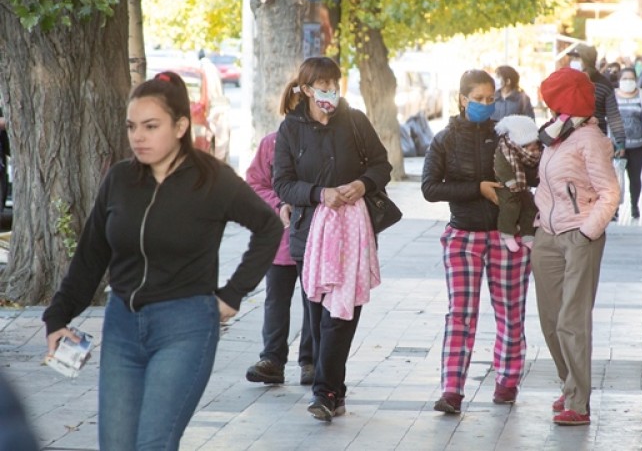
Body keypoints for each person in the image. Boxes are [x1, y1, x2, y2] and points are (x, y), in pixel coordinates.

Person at [41, 71, 284, 450]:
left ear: (181, 125)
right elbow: (91, 256)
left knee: (153, 443)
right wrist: (57, 318)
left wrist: (233, 294)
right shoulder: (119, 179)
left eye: (151, 126)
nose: (138, 136)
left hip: (185, 327)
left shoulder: (213, 179)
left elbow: (269, 227)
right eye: (132, 126)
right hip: (122, 326)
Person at [272, 56, 392, 422]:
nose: (330, 91)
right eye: (322, 85)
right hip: (309, 235)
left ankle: (324, 391)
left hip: (353, 235)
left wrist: (362, 183)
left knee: (340, 315)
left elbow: (382, 165)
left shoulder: (353, 120)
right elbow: (282, 183)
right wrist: (318, 194)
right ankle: (333, 390)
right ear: (306, 89)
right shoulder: (291, 129)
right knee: (318, 316)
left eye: (334, 83)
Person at [422, 69, 533, 414]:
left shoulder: (505, 135)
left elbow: (532, 172)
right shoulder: (444, 139)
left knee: (511, 313)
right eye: (479, 99)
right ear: (462, 99)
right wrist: (478, 189)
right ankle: (452, 390)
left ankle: (507, 380)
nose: (486, 105)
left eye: (491, 99)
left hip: (507, 237)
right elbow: (430, 188)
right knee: (461, 315)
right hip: (463, 236)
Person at [531, 67, 619, 426]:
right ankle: (568, 382)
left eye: (553, 99)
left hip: (579, 237)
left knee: (571, 320)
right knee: (550, 320)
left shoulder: (590, 139)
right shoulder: (558, 133)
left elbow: (610, 193)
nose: (549, 106)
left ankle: (578, 403)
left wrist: (586, 233)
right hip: (546, 236)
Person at [245, 131, 315, 386]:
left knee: (314, 302)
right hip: (281, 239)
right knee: (275, 300)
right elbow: (255, 182)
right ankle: (272, 360)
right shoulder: (270, 142)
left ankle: (311, 360)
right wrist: (279, 204)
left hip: (315, 238)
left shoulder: (327, 142)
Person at [615, 67, 642, 219]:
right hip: (616, 146)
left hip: (638, 146)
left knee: (634, 177)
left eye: (631, 78)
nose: (628, 81)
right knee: (615, 178)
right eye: (625, 78)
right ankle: (614, 209)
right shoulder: (612, 96)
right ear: (620, 80)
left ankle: (634, 205)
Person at [493, 115, 540, 252]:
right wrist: (510, 181)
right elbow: (501, 167)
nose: (534, 147)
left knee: (530, 206)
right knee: (510, 206)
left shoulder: (534, 151)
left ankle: (528, 235)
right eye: (529, 144)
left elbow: (533, 167)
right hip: (507, 187)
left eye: (534, 142)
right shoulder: (504, 149)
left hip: (523, 186)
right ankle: (507, 233)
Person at [567, 44, 627, 148]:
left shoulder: (604, 85)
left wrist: (620, 141)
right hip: (570, 140)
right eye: (573, 58)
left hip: (595, 141)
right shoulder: (568, 81)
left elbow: (613, 115)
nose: (574, 61)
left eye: (577, 58)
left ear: (587, 61)